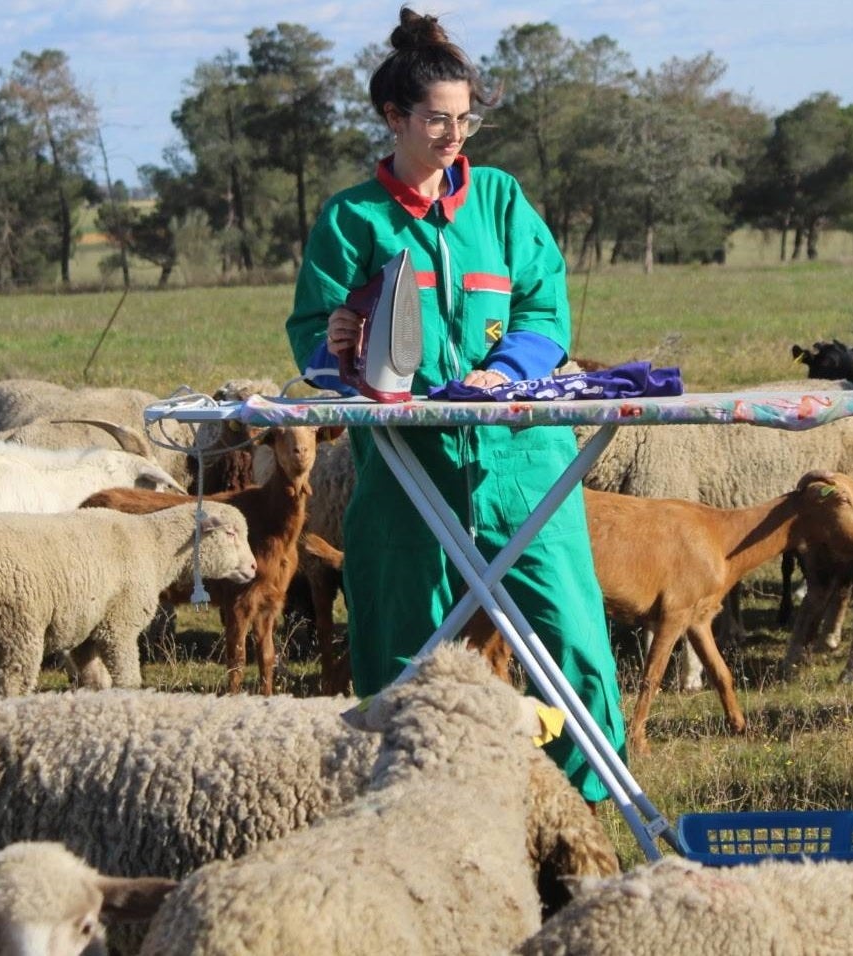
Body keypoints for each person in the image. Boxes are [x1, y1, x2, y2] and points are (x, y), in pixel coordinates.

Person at [285, 6, 625, 802]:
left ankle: (583, 807)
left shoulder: (503, 203)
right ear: (393, 117)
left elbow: (545, 313)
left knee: (571, 640)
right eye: (438, 120)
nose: (454, 136)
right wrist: (339, 347)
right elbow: (312, 339)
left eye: (465, 119)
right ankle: (412, 804)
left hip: (522, 464)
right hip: (408, 474)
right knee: (400, 645)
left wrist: (503, 372)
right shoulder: (351, 218)